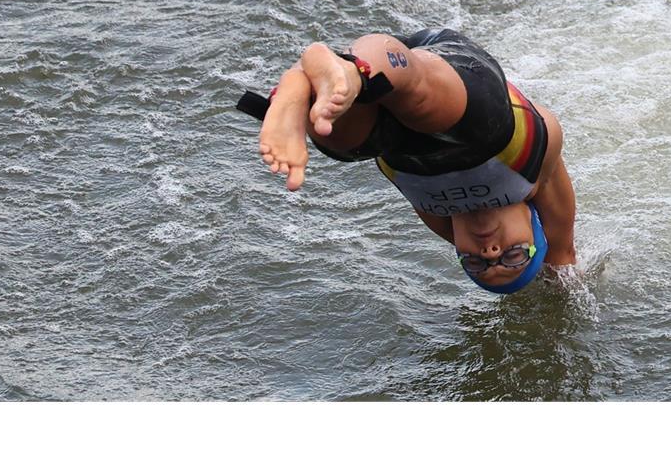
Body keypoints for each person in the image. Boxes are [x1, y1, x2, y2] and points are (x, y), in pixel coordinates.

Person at [237, 28, 576, 294]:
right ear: (535, 229)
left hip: (397, 133)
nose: (490, 253)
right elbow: (562, 252)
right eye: (513, 256)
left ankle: (302, 89)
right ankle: (349, 73)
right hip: (464, 96)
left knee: (342, 142)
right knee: (428, 104)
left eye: (474, 263)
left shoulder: (441, 216)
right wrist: (562, 281)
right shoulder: (534, 178)